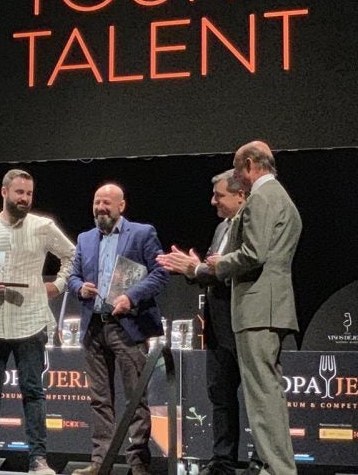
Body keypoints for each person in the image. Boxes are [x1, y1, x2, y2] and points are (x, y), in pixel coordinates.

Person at [0, 169, 73, 475]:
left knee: (33, 391)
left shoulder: (43, 227)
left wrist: (57, 286)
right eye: (20, 192)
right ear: (4, 192)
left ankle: (38, 459)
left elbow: (73, 258)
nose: (25, 199)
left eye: (29, 194)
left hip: (30, 319)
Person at [204, 142, 299, 475]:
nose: (236, 179)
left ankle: (277, 469)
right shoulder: (281, 197)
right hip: (271, 305)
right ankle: (278, 468)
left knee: (262, 398)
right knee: (267, 395)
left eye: (236, 169)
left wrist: (217, 264)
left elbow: (253, 253)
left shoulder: (261, 197)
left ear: (248, 164)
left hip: (259, 307)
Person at [67, 184, 168, 475]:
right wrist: (79, 288)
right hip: (94, 328)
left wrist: (131, 296)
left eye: (107, 203)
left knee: (136, 398)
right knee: (100, 399)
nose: (101, 208)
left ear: (121, 206)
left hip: (129, 327)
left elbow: (161, 273)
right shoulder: (85, 239)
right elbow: (72, 275)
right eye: (97, 202)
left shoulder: (142, 233)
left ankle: (138, 464)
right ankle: (101, 463)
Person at [157, 169, 246, 475]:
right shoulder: (222, 227)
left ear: (240, 196)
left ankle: (261, 461)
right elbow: (212, 270)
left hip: (245, 323)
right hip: (218, 325)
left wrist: (197, 269)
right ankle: (223, 462)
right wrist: (192, 270)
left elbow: (237, 268)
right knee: (219, 394)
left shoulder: (249, 225)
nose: (213, 201)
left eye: (219, 195)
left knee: (255, 397)